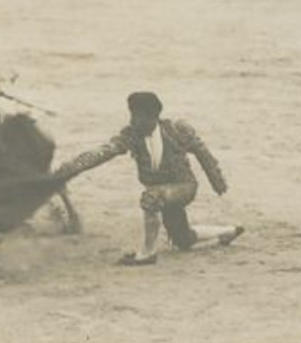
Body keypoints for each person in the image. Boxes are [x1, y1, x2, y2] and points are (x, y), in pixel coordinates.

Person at [53, 91, 243, 266]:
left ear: (153, 116)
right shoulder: (131, 134)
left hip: (183, 186)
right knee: (182, 239)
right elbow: (105, 151)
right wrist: (74, 167)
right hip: (163, 192)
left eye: (139, 116)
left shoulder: (177, 129)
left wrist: (216, 180)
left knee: (150, 197)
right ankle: (227, 231)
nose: (134, 120)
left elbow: (203, 153)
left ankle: (147, 253)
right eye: (132, 115)